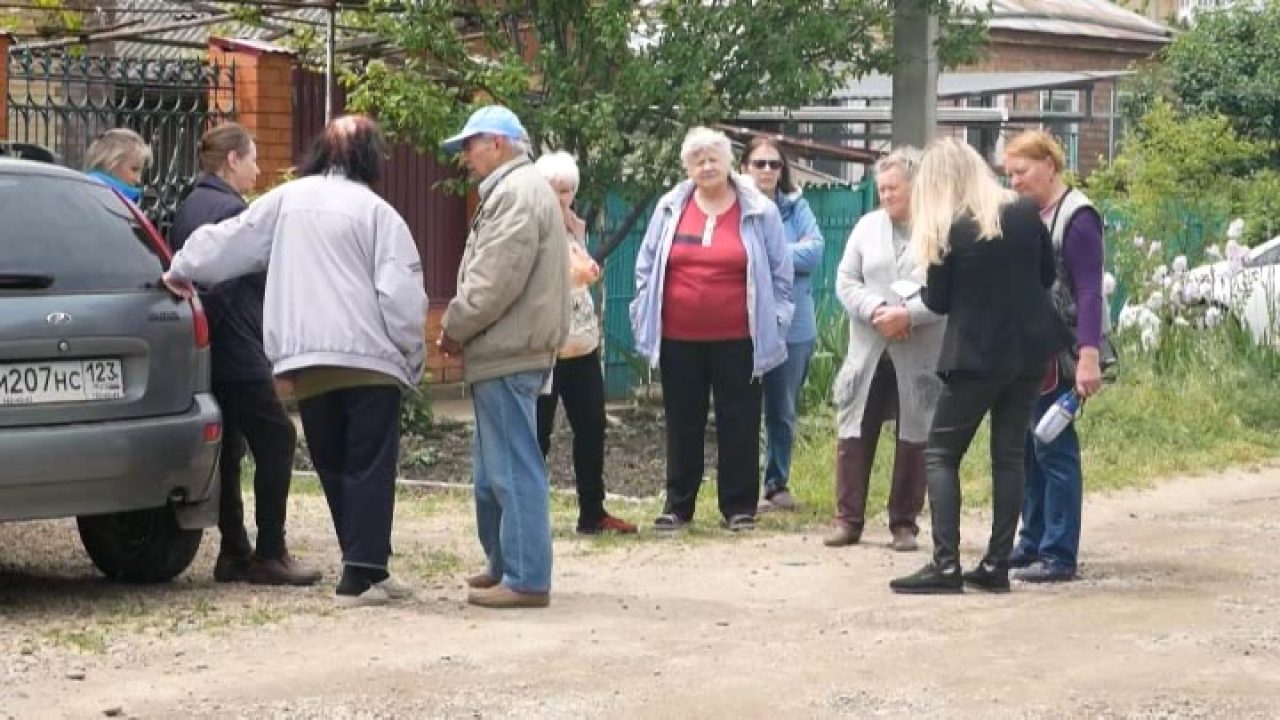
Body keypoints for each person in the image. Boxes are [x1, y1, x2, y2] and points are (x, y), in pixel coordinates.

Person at [162, 115, 428, 607]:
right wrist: (412, 354)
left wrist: (179, 268)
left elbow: (228, 243)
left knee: (332, 461)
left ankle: (366, 563)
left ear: (320, 151)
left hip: (306, 359)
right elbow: (402, 295)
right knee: (369, 461)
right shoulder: (378, 212)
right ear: (371, 158)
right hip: (369, 359)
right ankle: (362, 572)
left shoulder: (285, 200)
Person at [889, 138, 1062, 595]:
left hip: (975, 356)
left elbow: (939, 301)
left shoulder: (949, 228)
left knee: (941, 455)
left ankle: (945, 564)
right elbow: (1047, 276)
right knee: (1008, 457)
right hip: (1028, 354)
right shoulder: (1025, 212)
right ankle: (997, 564)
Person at [167, 123, 319, 587]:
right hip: (237, 346)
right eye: (252, 159)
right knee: (276, 438)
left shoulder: (190, 204)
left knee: (230, 447)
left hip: (208, 346)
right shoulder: (233, 210)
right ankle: (270, 551)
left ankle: (233, 550)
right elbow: (231, 281)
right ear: (232, 159)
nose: (257, 169)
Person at [631, 126, 794, 533]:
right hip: (678, 338)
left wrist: (777, 322)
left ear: (728, 163)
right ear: (687, 167)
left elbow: (781, 275)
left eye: (713, 159)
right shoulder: (670, 207)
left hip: (740, 337)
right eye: (697, 160)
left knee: (739, 420)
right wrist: (642, 312)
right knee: (681, 421)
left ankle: (739, 508)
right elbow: (646, 264)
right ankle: (678, 506)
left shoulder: (758, 209)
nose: (706, 166)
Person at [438, 106, 569, 609]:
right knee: (495, 466)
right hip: (506, 349)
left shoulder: (515, 192)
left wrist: (453, 325)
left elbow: (494, 280)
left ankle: (527, 576)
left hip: (508, 349)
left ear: (496, 143)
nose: (466, 157)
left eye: (470, 146)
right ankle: (504, 563)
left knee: (512, 467)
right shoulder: (522, 189)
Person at [828, 147, 944, 552]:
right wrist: (875, 309)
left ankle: (904, 522)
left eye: (894, 188)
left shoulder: (939, 230)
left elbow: (946, 291)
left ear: (915, 187)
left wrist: (907, 315)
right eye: (882, 188)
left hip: (918, 349)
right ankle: (848, 518)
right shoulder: (866, 226)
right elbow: (845, 280)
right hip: (870, 346)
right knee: (855, 427)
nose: (887, 195)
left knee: (915, 433)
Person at [1004, 130, 1107, 583]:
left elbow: (1088, 292)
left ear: (1049, 164)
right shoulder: (1029, 214)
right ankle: (1032, 542)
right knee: (1029, 446)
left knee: (1054, 448)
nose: (1015, 181)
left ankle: (1060, 554)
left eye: (1021, 172)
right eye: (1009, 174)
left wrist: (1088, 357)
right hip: (1029, 352)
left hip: (1062, 352)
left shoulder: (1078, 216)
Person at [532, 151, 638, 536]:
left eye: (568, 189)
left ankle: (592, 511)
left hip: (582, 342)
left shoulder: (576, 227)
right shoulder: (532, 226)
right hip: (546, 344)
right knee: (538, 432)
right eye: (555, 189)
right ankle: (530, 514)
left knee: (592, 425)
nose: (562, 197)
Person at [739, 138, 824, 513]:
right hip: (743, 323)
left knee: (782, 409)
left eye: (775, 164)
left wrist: (765, 254)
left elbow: (816, 251)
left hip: (794, 325)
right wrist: (783, 255)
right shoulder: (734, 208)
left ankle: (776, 483)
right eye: (760, 164)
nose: (768, 171)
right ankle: (740, 487)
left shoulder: (796, 206)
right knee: (741, 407)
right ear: (744, 168)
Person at [84, 128, 151, 203]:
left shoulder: (82, 190)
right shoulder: (109, 201)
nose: (138, 180)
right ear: (110, 163)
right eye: (134, 169)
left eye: (141, 172)